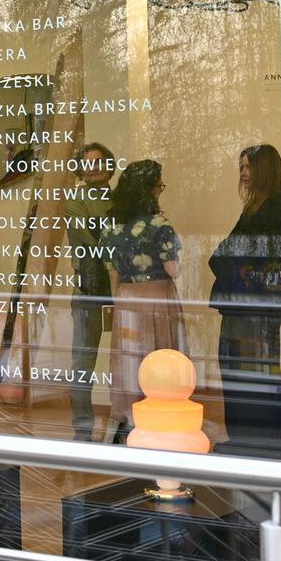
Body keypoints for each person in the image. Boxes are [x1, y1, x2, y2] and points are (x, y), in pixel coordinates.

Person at [209, 143, 281, 458]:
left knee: (251, 373)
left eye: (248, 167)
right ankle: (246, 442)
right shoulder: (256, 208)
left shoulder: (274, 209)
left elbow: (251, 257)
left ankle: (257, 446)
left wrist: (238, 267)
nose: (242, 174)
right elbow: (225, 255)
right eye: (241, 167)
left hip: (253, 308)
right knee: (240, 372)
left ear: (263, 170)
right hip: (244, 305)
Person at [98, 159, 185, 442]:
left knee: (130, 361)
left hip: (126, 298)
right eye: (159, 186)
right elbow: (174, 269)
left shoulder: (112, 229)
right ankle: (158, 418)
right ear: (148, 190)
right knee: (160, 358)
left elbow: (112, 277)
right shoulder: (160, 226)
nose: (160, 191)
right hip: (157, 296)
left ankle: (129, 417)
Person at [65, 142, 116, 441]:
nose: (94, 167)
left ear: (110, 165)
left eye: (99, 162)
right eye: (88, 163)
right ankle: (82, 430)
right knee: (83, 363)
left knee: (124, 360)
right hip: (89, 289)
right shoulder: (75, 199)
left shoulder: (121, 198)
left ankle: (123, 427)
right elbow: (91, 240)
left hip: (123, 290)